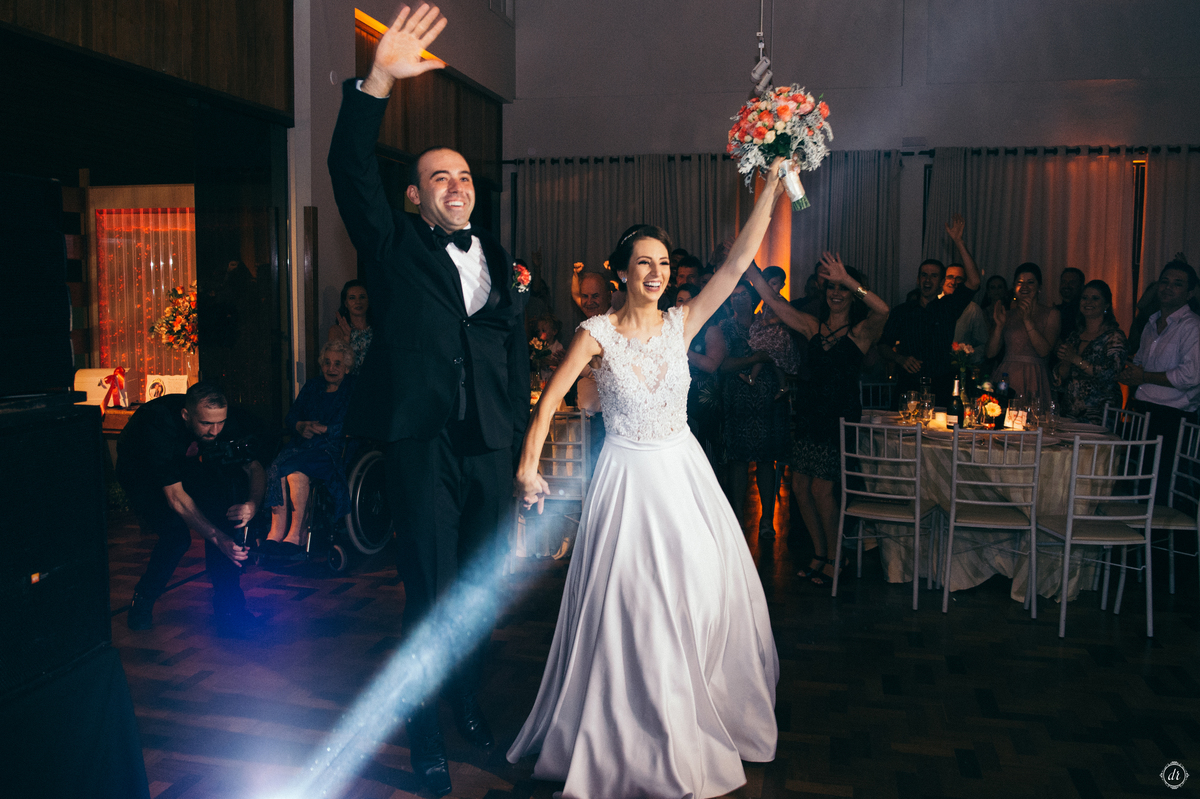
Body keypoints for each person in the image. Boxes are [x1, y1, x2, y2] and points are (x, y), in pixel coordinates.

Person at [507, 159, 788, 799]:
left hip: (683, 476)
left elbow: (740, 260)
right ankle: (630, 736)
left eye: (663, 263)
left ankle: (686, 719)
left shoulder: (684, 321)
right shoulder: (596, 333)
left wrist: (769, 189)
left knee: (699, 597)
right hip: (627, 481)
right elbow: (550, 401)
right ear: (622, 272)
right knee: (632, 605)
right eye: (644, 263)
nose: (657, 273)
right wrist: (529, 464)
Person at [326, 7, 529, 795]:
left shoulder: (499, 258)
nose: (456, 185)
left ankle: (466, 695)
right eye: (439, 175)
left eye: (465, 176)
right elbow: (349, 168)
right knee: (430, 586)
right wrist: (377, 79)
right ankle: (422, 727)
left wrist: (517, 449)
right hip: (422, 444)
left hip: (487, 446)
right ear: (413, 196)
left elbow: (507, 356)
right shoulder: (392, 246)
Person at [749, 255, 890, 586]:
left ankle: (835, 556)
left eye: (842, 288)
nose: (835, 293)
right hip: (810, 414)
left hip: (838, 419)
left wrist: (851, 280)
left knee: (822, 490)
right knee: (800, 487)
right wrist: (746, 264)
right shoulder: (813, 325)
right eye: (831, 287)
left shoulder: (860, 332)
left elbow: (882, 310)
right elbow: (770, 299)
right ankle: (820, 553)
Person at [117, 381, 265, 633]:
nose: (215, 430)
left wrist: (251, 505)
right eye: (206, 424)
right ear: (186, 415)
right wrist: (218, 539)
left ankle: (230, 609)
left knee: (223, 515)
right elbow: (175, 497)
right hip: (141, 472)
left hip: (185, 464)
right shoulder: (158, 423)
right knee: (176, 537)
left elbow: (254, 467)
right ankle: (143, 599)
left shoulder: (221, 421)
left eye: (220, 422)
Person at [261, 340, 357, 556]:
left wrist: (326, 429)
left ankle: (297, 533)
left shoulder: (354, 388)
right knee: (276, 468)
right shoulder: (313, 386)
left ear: (347, 368)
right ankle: (276, 532)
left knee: (295, 471)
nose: (331, 368)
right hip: (305, 445)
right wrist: (300, 425)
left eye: (337, 364)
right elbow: (292, 415)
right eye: (327, 363)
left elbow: (357, 423)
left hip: (334, 448)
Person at [876, 215, 981, 406]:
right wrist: (899, 358)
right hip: (908, 387)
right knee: (903, 435)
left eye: (933, 276)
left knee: (939, 435)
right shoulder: (902, 311)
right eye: (924, 275)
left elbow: (974, 281)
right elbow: (882, 346)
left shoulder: (948, 306)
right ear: (917, 280)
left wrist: (958, 242)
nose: (927, 280)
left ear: (941, 282)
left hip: (941, 387)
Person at [1119, 260, 1200, 503]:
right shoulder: (1151, 323)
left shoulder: (1192, 326)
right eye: (1164, 282)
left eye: (1177, 284)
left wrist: (1142, 376)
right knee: (1137, 482)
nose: (1168, 288)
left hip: (1172, 417)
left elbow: (1190, 376)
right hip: (1144, 411)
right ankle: (1135, 537)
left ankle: (1155, 540)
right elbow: (1142, 361)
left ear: (1190, 292)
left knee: (1160, 489)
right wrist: (1129, 372)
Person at [719, 279, 791, 533]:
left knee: (765, 460)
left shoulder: (767, 323)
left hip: (766, 401)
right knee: (738, 461)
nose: (738, 299)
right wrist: (753, 359)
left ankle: (767, 521)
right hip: (737, 400)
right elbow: (723, 364)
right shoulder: (725, 327)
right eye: (733, 296)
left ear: (753, 297)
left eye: (743, 295)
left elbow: (781, 354)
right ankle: (738, 518)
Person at [1052, 280, 1127, 425]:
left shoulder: (1114, 337)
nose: (1088, 302)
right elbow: (1059, 378)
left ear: (1106, 305)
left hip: (1099, 413)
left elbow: (1111, 373)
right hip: (1070, 411)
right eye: (1084, 298)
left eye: (1095, 298)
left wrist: (1075, 359)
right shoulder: (1075, 336)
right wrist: (1065, 363)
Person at [987, 262, 1060, 404]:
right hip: (1007, 375)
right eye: (1020, 282)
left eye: (1030, 282)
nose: (1024, 287)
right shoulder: (1007, 314)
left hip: (1035, 376)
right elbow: (990, 353)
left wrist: (1027, 319)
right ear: (1014, 287)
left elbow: (1044, 351)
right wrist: (999, 326)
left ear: (1039, 287)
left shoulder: (1052, 314)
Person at [745, 265, 801, 402]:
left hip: (777, 335)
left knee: (768, 355)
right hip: (770, 333)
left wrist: (771, 321)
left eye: (774, 283)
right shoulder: (766, 301)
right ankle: (756, 378)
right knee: (767, 357)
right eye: (767, 284)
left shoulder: (780, 301)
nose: (770, 287)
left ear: (782, 285)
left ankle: (757, 378)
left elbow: (786, 315)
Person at [946, 263, 988, 366]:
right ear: (943, 280)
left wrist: (965, 357)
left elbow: (983, 344)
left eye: (959, 279)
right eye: (950, 277)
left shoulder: (973, 309)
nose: (953, 282)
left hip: (959, 369)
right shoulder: (932, 305)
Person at [328, 279, 373, 373]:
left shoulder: (377, 330)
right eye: (352, 298)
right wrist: (346, 341)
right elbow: (333, 367)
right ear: (346, 303)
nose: (358, 302)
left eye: (362, 297)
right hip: (349, 383)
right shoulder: (337, 330)